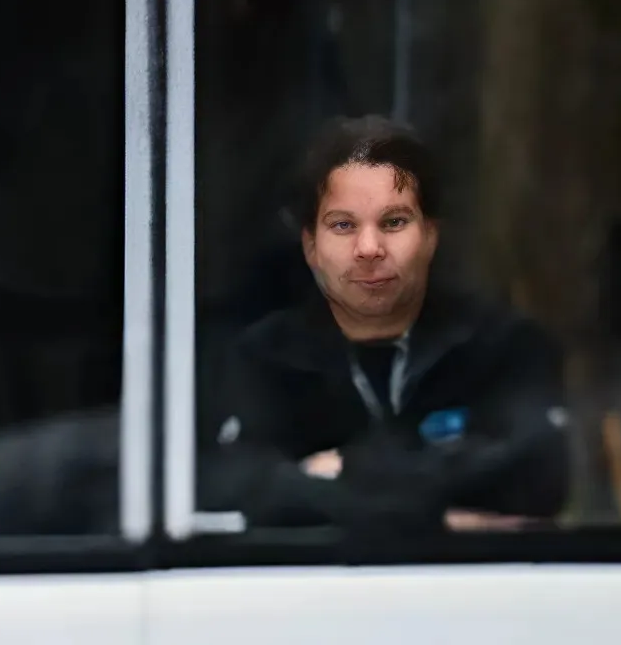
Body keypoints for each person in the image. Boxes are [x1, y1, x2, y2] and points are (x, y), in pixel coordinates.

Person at [202, 115, 570, 537]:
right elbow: (236, 492)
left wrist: (341, 472)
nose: (369, 249)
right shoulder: (260, 359)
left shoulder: (505, 346)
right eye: (343, 225)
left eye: (394, 222)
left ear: (431, 235)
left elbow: (538, 474)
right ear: (310, 246)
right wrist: (439, 518)